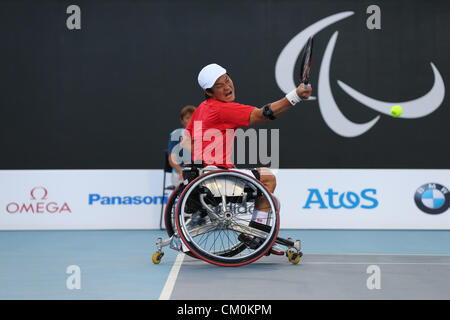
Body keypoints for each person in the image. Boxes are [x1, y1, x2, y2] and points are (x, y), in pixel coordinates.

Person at [181, 63, 312, 252]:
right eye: (219, 86)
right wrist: (295, 97)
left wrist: (206, 155)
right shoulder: (222, 110)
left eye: (227, 80)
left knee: (262, 180)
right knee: (268, 178)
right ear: (209, 92)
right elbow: (263, 115)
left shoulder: (201, 108)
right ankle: (256, 235)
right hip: (216, 177)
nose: (227, 87)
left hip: (203, 175)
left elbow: (186, 141)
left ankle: (257, 232)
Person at [167, 105, 196, 186]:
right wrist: (180, 172)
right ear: (182, 120)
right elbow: (171, 158)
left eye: (192, 118)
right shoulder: (176, 134)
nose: (190, 121)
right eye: (187, 118)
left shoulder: (202, 134)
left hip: (197, 172)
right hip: (180, 173)